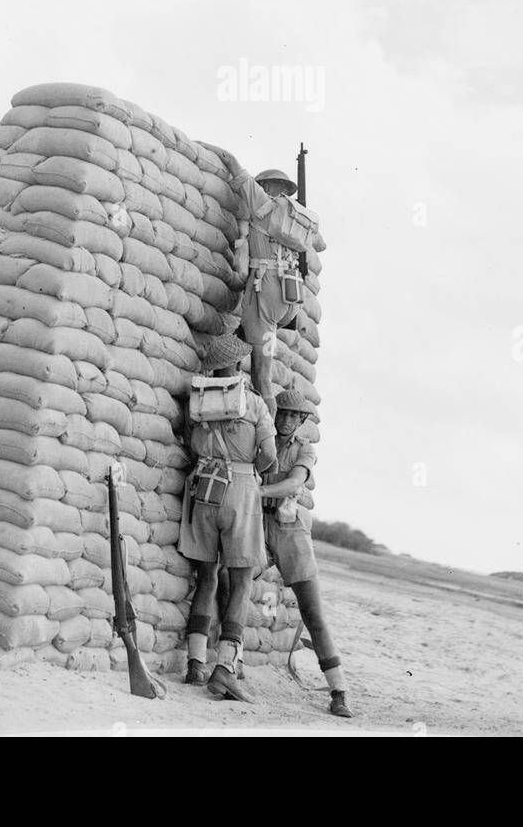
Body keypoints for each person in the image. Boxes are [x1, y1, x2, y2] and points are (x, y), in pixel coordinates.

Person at [178, 332, 276, 702]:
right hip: (238, 486)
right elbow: (269, 456)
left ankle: (194, 663)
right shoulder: (252, 404)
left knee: (206, 578)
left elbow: (189, 443)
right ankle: (225, 668)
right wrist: (251, 471)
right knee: (242, 581)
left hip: (202, 487)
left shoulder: (197, 399)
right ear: (237, 365)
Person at [199, 146, 316, 420]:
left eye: (262, 184)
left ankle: (267, 429)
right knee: (250, 347)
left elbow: (230, 160)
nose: (259, 186)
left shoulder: (263, 204)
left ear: (267, 186)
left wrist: (204, 146)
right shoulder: (293, 221)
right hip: (290, 299)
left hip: (266, 293)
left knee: (263, 377)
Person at [260, 387, 353, 718]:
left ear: (301, 421)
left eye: (293, 416)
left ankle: (338, 690)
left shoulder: (305, 449)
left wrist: (255, 491)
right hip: (257, 525)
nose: (286, 420)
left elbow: (293, 483)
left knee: (312, 613)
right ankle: (228, 666)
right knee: (231, 582)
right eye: (281, 413)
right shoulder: (262, 441)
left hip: (289, 527)